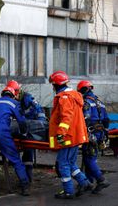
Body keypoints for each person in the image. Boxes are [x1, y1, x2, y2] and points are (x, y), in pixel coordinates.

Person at [48, 71, 92, 199]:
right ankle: (85, 183)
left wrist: (60, 134)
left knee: (63, 164)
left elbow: (66, 118)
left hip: (68, 137)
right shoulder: (73, 96)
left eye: (53, 84)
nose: (52, 87)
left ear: (57, 84)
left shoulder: (65, 97)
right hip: (75, 135)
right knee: (71, 163)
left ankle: (69, 191)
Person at [0, 86, 30, 196]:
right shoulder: (13, 103)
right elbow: (21, 121)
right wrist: (24, 133)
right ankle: (25, 186)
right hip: (2, 132)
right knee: (15, 160)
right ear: (12, 94)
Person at [7, 80, 47, 183]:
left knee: (28, 151)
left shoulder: (28, 98)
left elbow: (39, 111)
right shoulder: (12, 100)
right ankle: (23, 176)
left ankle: (28, 177)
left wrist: (40, 127)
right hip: (21, 127)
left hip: (32, 127)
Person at [77, 80, 110, 194]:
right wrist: (105, 133)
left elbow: (85, 119)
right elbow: (106, 120)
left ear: (83, 90)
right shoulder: (100, 102)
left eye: (80, 91)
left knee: (88, 158)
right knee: (91, 158)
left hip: (91, 133)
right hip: (100, 133)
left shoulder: (86, 102)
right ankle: (89, 182)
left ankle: (101, 180)